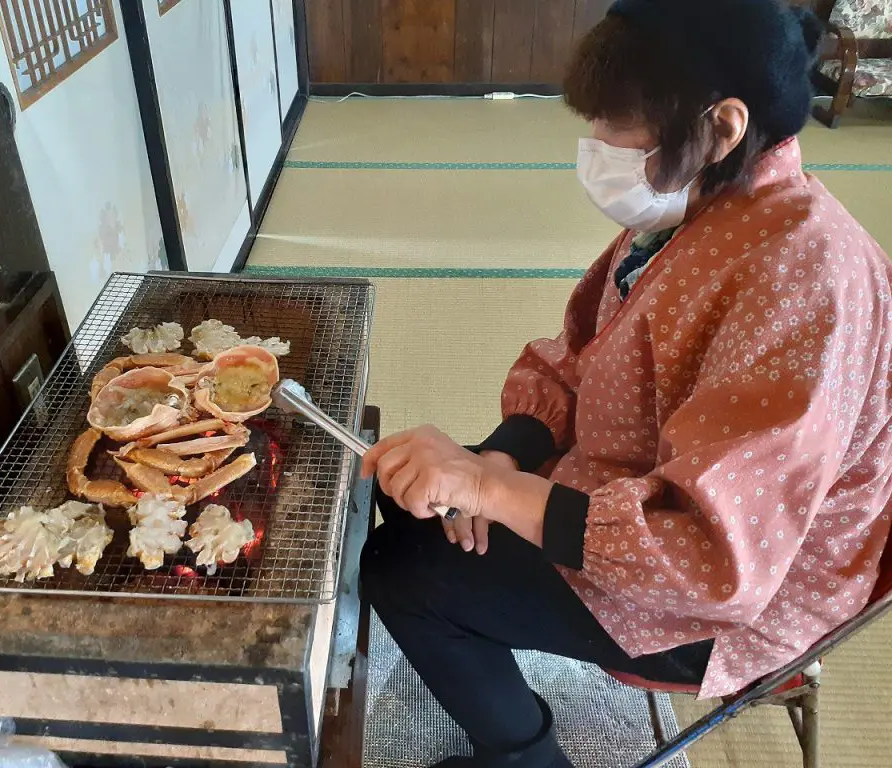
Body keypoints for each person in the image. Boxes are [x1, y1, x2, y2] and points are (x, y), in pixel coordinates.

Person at [358, 1, 892, 766]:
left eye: (618, 126)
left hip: (727, 598)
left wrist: (492, 494)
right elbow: (576, 358)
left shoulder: (801, 276)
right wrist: (502, 460)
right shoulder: (695, 208)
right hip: (633, 494)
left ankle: (530, 759)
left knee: (404, 571)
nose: (598, 146)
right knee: (405, 492)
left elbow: (718, 561)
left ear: (724, 125)